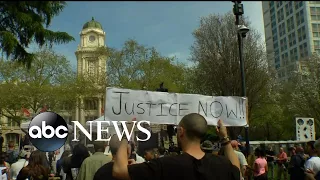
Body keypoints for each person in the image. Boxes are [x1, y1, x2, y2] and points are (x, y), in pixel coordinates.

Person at [112, 114, 241, 180]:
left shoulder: (164, 165)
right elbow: (237, 169)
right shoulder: (222, 165)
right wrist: (224, 138)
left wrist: (126, 135)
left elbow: (119, 171)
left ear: (181, 132)